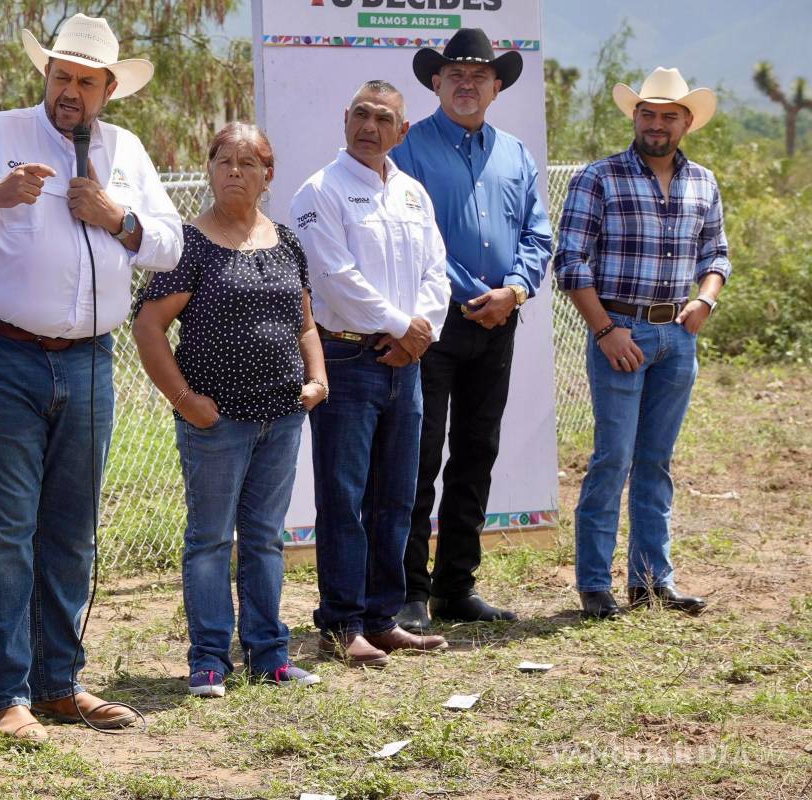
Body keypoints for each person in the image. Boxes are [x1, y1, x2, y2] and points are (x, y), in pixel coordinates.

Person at [0, 14, 182, 738]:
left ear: (108, 90)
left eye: (85, 81)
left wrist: (118, 216)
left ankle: (60, 685)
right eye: (60, 76)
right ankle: (3, 694)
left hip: (90, 359)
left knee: (71, 531)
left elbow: (166, 244)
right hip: (3, 357)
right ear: (46, 76)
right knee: (1, 531)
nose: (69, 91)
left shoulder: (126, 150)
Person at [133, 123, 328, 698]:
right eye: (223, 161)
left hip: (282, 417)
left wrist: (317, 377)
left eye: (248, 162)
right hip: (215, 424)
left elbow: (306, 322)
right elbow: (148, 326)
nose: (234, 171)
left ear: (269, 175)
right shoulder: (188, 244)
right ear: (210, 168)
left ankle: (270, 655)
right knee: (212, 539)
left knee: (265, 537)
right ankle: (210, 660)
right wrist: (186, 401)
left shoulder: (287, 241)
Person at [391, 28, 553, 629]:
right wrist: (474, 294)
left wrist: (513, 291)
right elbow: (419, 236)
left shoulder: (515, 154)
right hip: (431, 325)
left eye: (478, 75)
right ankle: (409, 588)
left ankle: (456, 588)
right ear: (436, 83)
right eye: (455, 74)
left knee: (476, 453)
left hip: (499, 323)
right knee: (420, 455)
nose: (466, 83)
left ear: (496, 86)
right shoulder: (407, 150)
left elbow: (538, 233)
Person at [555, 67, 729, 620]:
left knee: (656, 461)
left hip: (678, 336)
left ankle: (653, 581)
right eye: (647, 113)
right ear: (635, 117)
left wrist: (705, 299)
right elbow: (570, 261)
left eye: (668, 116)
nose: (657, 124)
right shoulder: (598, 178)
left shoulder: (704, 181)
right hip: (620, 333)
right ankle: (594, 585)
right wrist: (605, 330)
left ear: (686, 123)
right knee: (613, 459)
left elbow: (716, 254)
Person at [290, 81, 451, 668]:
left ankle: (382, 619)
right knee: (344, 495)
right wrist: (399, 325)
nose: (370, 126)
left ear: (401, 132)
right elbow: (332, 276)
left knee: (397, 496)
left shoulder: (413, 194)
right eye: (361, 113)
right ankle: (342, 622)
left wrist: (420, 331)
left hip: (404, 363)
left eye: (384, 118)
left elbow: (437, 269)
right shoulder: (320, 192)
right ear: (345, 118)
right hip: (347, 358)